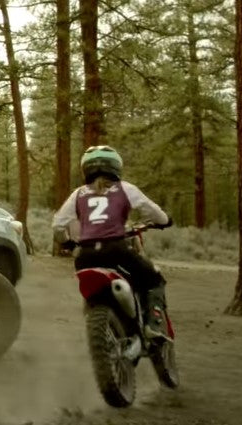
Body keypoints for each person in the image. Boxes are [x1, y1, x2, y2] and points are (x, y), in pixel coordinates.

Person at [53, 145, 173, 341]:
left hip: (85, 256)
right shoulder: (125, 188)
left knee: (93, 295)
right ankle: (154, 324)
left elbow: (58, 225)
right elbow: (152, 211)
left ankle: (104, 329)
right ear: (116, 167)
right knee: (154, 279)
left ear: (86, 169)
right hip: (117, 249)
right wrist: (165, 220)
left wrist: (68, 244)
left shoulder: (78, 194)